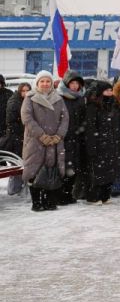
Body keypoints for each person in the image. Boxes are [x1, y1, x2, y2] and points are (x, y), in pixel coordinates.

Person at [21, 71, 70, 212]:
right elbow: (27, 119)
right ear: (37, 83)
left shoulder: (58, 98)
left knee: (51, 171)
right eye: (42, 81)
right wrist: (42, 136)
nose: (45, 84)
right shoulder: (30, 98)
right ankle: (36, 202)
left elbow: (65, 118)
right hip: (35, 141)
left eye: (48, 81)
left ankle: (49, 201)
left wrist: (58, 135)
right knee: (34, 171)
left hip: (54, 141)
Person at [83, 81, 120, 205]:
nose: (109, 93)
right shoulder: (93, 106)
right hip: (99, 143)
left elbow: (117, 126)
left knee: (110, 171)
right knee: (97, 172)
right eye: (107, 91)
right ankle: (93, 196)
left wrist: (119, 141)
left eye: (111, 90)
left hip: (111, 143)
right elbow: (90, 127)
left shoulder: (113, 105)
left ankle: (105, 195)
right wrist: (92, 146)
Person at [57, 70, 85, 205]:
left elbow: (83, 118)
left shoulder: (80, 98)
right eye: (72, 83)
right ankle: (61, 195)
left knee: (74, 168)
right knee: (64, 167)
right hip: (64, 138)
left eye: (77, 83)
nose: (74, 86)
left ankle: (69, 194)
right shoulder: (60, 98)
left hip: (77, 138)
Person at [3, 82, 30, 195]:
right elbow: (12, 122)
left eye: (27, 90)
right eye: (23, 90)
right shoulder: (14, 102)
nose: (25, 93)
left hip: (25, 138)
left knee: (23, 164)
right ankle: (14, 189)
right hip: (17, 139)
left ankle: (18, 189)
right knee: (18, 165)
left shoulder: (28, 101)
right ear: (19, 91)